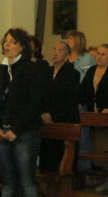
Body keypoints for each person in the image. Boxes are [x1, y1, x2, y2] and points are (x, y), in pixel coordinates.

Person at [0, 28, 48, 197]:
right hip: (4, 130)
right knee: (8, 182)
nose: (7, 45)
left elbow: (34, 104)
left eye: (13, 42)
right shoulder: (2, 69)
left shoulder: (31, 69)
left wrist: (16, 130)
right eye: (6, 41)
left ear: (22, 47)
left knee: (26, 181)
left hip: (24, 132)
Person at [79, 43, 108, 193]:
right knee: (98, 152)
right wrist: (79, 104)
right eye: (98, 53)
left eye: (103, 54)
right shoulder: (92, 70)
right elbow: (83, 91)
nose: (99, 56)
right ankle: (104, 180)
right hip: (95, 119)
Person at [39, 41, 79, 171]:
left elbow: (69, 100)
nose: (55, 53)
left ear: (67, 56)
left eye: (60, 50)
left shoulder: (72, 74)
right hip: (45, 120)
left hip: (64, 119)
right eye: (54, 49)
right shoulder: (45, 72)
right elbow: (40, 95)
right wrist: (43, 113)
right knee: (46, 158)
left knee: (61, 158)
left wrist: (52, 115)